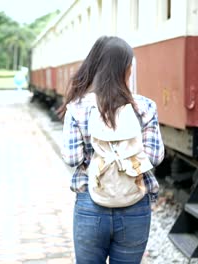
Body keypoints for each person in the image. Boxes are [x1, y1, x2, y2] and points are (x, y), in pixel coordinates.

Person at [58, 36, 164, 264]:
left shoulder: (77, 108)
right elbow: (154, 157)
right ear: (127, 69)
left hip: (91, 203)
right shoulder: (145, 107)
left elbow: (72, 157)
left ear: (94, 67)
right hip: (134, 204)